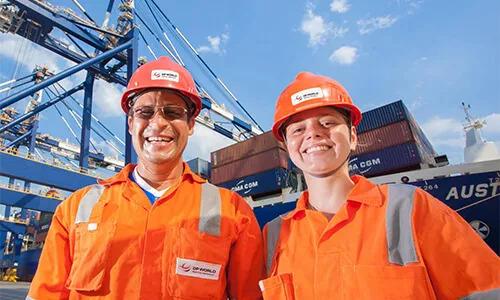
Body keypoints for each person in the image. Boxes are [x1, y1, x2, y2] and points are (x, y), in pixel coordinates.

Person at [28, 57, 264, 299]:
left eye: (172, 113)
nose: (158, 123)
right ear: (131, 123)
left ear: (191, 124)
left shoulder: (233, 213)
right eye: (145, 112)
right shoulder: (75, 209)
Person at [260, 72, 500, 299]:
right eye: (299, 129)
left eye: (327, 123)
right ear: (288, 148)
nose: (313, 134)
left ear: (353, 138)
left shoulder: (412, 208)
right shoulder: (272, 235)